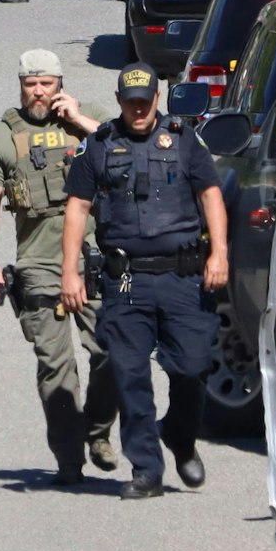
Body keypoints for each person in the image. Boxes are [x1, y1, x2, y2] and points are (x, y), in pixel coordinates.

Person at [60, 66, 227, 500]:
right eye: (130, 101)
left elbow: (211, 194)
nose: (138, 108)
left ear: (157, 98)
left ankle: (180, 435)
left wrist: (220, 252)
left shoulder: (185, 139)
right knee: (129, 373)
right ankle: (146, 469)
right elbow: (77, 208)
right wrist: (70, 271)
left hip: (183, 277)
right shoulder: (98, 146)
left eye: (145, 100)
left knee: (192, 367)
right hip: (126, 279)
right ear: (119, 101)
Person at [0, 50, 120, 485]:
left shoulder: (90, 119)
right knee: (55, 365)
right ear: (21, 86)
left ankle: (97, 430)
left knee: (112, 352)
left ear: (60, 84)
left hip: (93, 257)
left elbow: (125, 150)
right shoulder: (3, 136)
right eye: (30, 84)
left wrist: (79, 121)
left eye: (46, 83)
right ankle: (69, 458)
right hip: (38, 262)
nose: (38, 92)